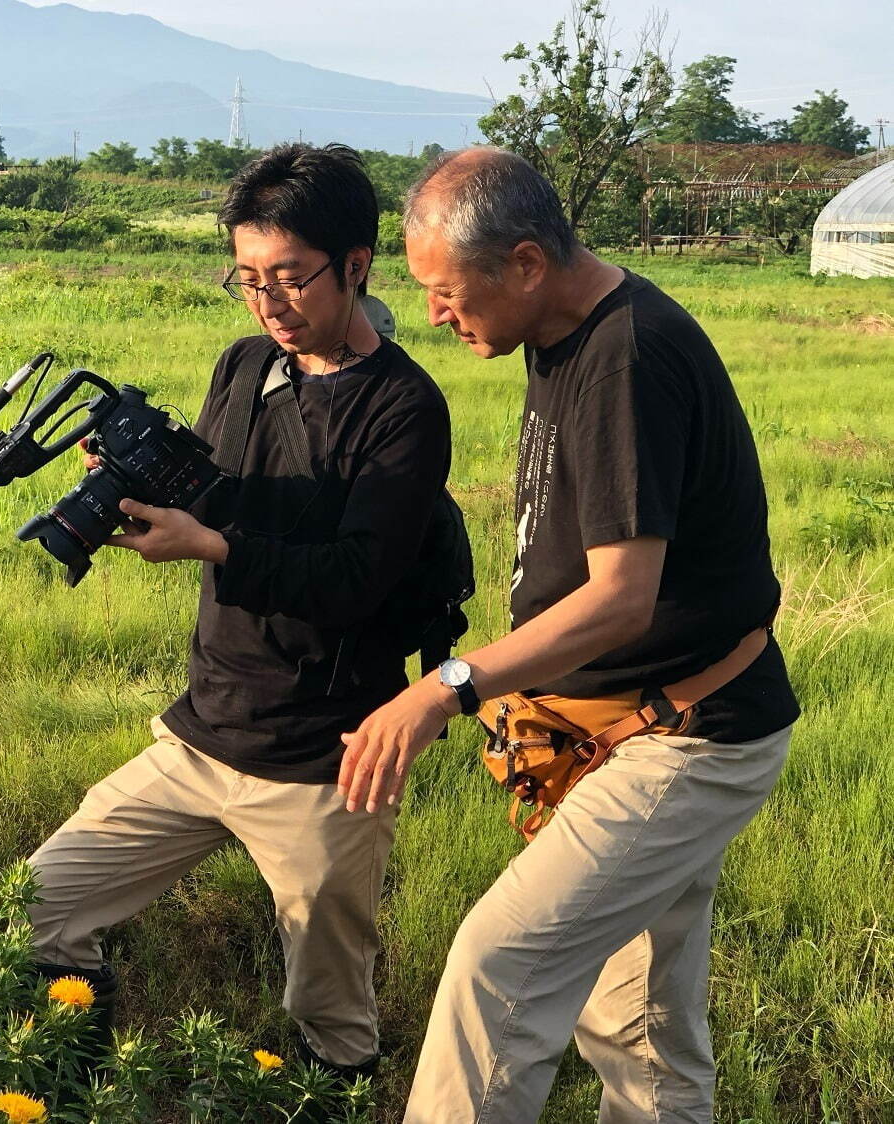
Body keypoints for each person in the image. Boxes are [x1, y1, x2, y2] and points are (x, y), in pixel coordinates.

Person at [337, 148, 800, 1122]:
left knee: (495, 969)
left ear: (524, 263)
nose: (431, 314)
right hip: (617, 730)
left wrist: (446, 686)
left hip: (682, 737)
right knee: (634, 1028)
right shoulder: (561, 332)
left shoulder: (626, 358)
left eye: (443, 291)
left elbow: (619, 600)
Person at [24, 143, 454, 1079]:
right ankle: (72, 1093)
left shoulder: (403, 409)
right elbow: (217, 491)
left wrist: (213, 546)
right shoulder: (245, 364)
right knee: (45, 901)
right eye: (248, 278)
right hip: (200, 734)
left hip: (324, 763)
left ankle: (329, 1094)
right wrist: (138, 486)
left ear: (355, 266)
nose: (269, 303)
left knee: (328, 1008)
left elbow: (353, 582)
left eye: (291, 279)